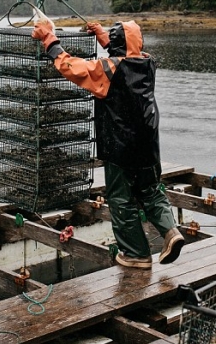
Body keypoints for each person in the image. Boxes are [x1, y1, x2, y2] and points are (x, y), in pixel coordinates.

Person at [32, 18, 184, 270]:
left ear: (117, 44)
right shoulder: (147, 61)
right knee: (151, 191)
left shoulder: (108, 69)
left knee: (121, 199)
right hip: (148, 146)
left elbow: (71, 67)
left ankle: (136, 254)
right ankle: (171, 232)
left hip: (120, 147)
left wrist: (49, 39)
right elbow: (127, 53)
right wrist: (104, 36)